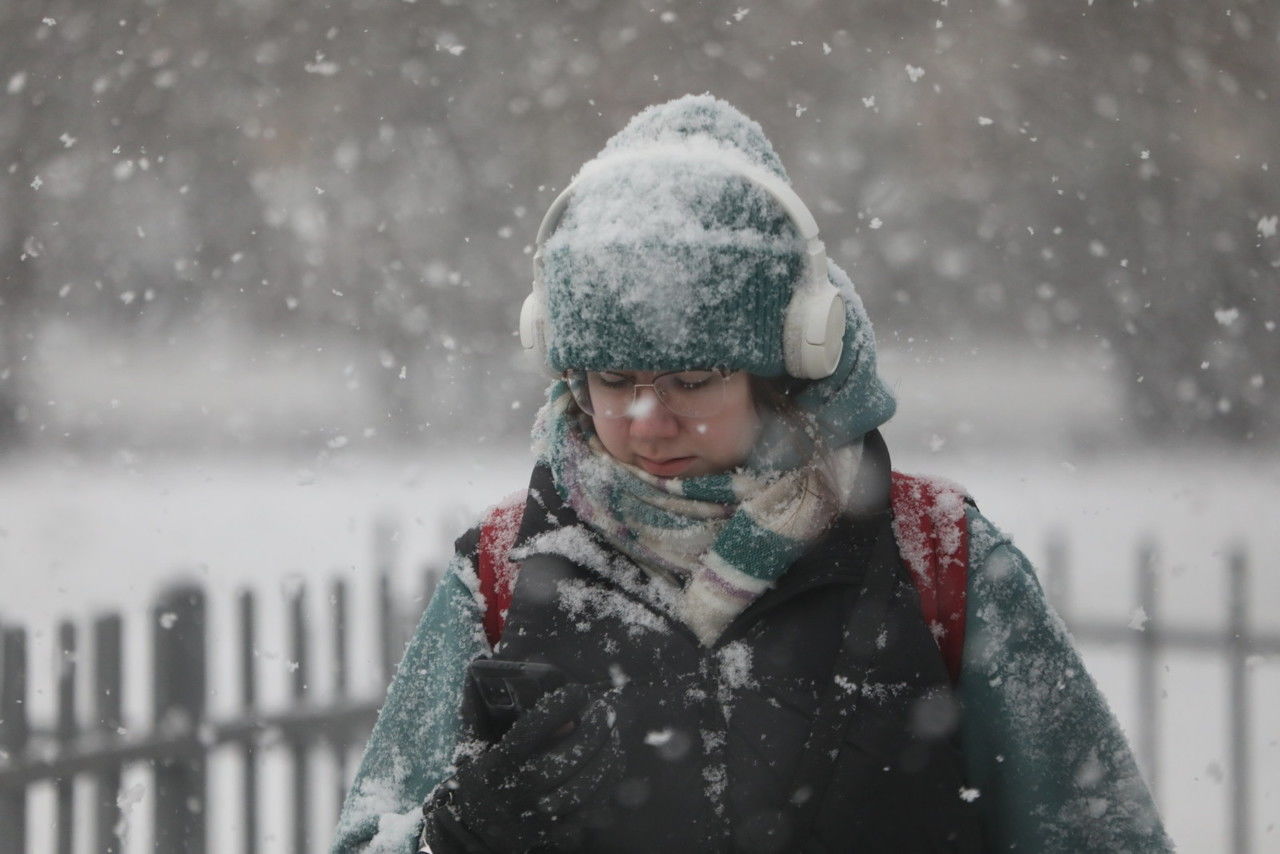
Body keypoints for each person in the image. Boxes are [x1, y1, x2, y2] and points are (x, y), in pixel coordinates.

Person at [331, 95, 1172, 853]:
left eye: (693, 380)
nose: (645, 419)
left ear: (792, 358)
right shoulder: (501, 571)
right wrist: (450, 840)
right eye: (613, 380)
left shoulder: (940, 562)